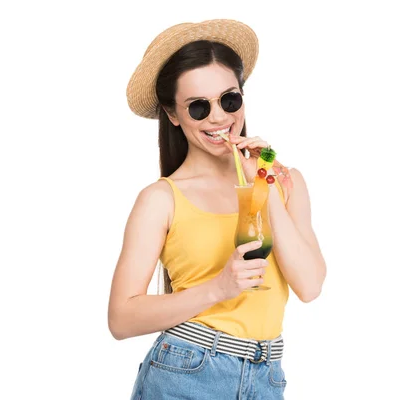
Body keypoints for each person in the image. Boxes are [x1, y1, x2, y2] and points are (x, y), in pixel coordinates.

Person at [107, 19, 327, 399]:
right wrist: (219, 288)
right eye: (198, 107)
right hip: (186, 373)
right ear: (173, 115)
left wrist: (263, 182)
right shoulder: (160, 199)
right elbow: (121, 319)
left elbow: (310, 286)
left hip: (267, 376)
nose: (219, 117)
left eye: (229, 99)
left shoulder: (285, 181)